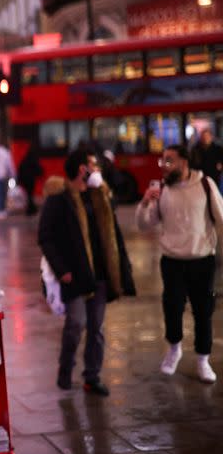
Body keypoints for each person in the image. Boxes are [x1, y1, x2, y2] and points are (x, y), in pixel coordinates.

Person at [38, 149, 136, 396]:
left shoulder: (99, 196)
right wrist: (62, 271)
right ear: (82, 170)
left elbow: (114, 235)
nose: (98, 170)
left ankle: (92, 376)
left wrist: (122, 266)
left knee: (97, 328)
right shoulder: (59, 200)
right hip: (75, 275)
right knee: (76, 324)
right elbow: (45, 238)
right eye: (94, 165)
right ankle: (65, 369)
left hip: (100, 274)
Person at [135, 144, 222, 383]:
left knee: (203, 312)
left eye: (169, 161)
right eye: (163, 161)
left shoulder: (205, 185)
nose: (164, 166)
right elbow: (144, 225)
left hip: (202, 260)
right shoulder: (162, 190)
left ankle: (203, 360)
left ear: (184, 162)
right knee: (172, 309)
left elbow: (221, 218)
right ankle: (174, 350)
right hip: (171, 261)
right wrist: (144, 203)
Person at [17, 146, 44, 216]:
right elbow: (38, 169)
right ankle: (31, 209)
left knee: (29, 195)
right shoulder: (33, 159)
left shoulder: (24, 160)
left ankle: (31, 209)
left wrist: (19, 181)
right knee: (30, 195)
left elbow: (20, 170)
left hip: (25, 181)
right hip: (31, 180)